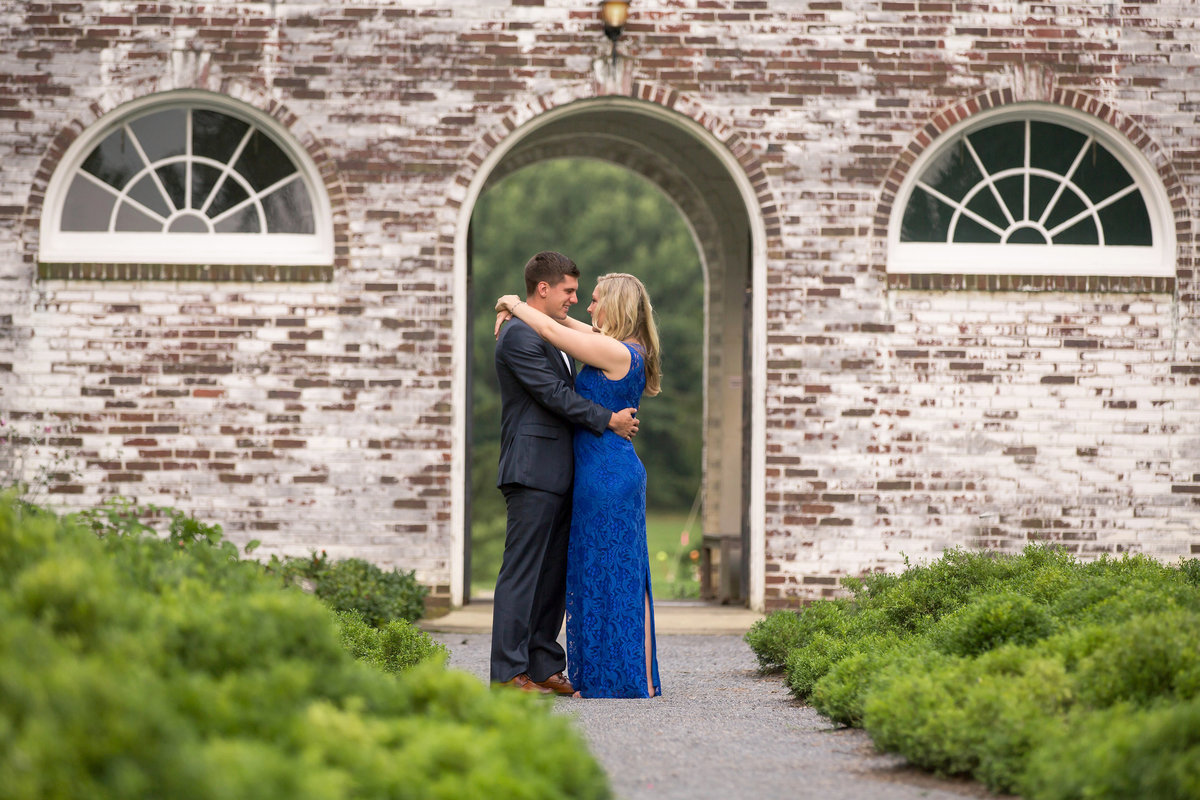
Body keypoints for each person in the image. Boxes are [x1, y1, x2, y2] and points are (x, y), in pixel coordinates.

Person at [495, 271, 663, 698]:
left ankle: (618, 673)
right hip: (591, 471)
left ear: (617, 306)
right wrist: (521, 308)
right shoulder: (621, 345)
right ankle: (587, 669)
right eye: (577, 295)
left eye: (593, 299)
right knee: (594, 572)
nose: (586, 306)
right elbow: (565, 325)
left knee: (610, 573)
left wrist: (513, 304)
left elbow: (553, 327)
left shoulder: (615, 350)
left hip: (606, 474)